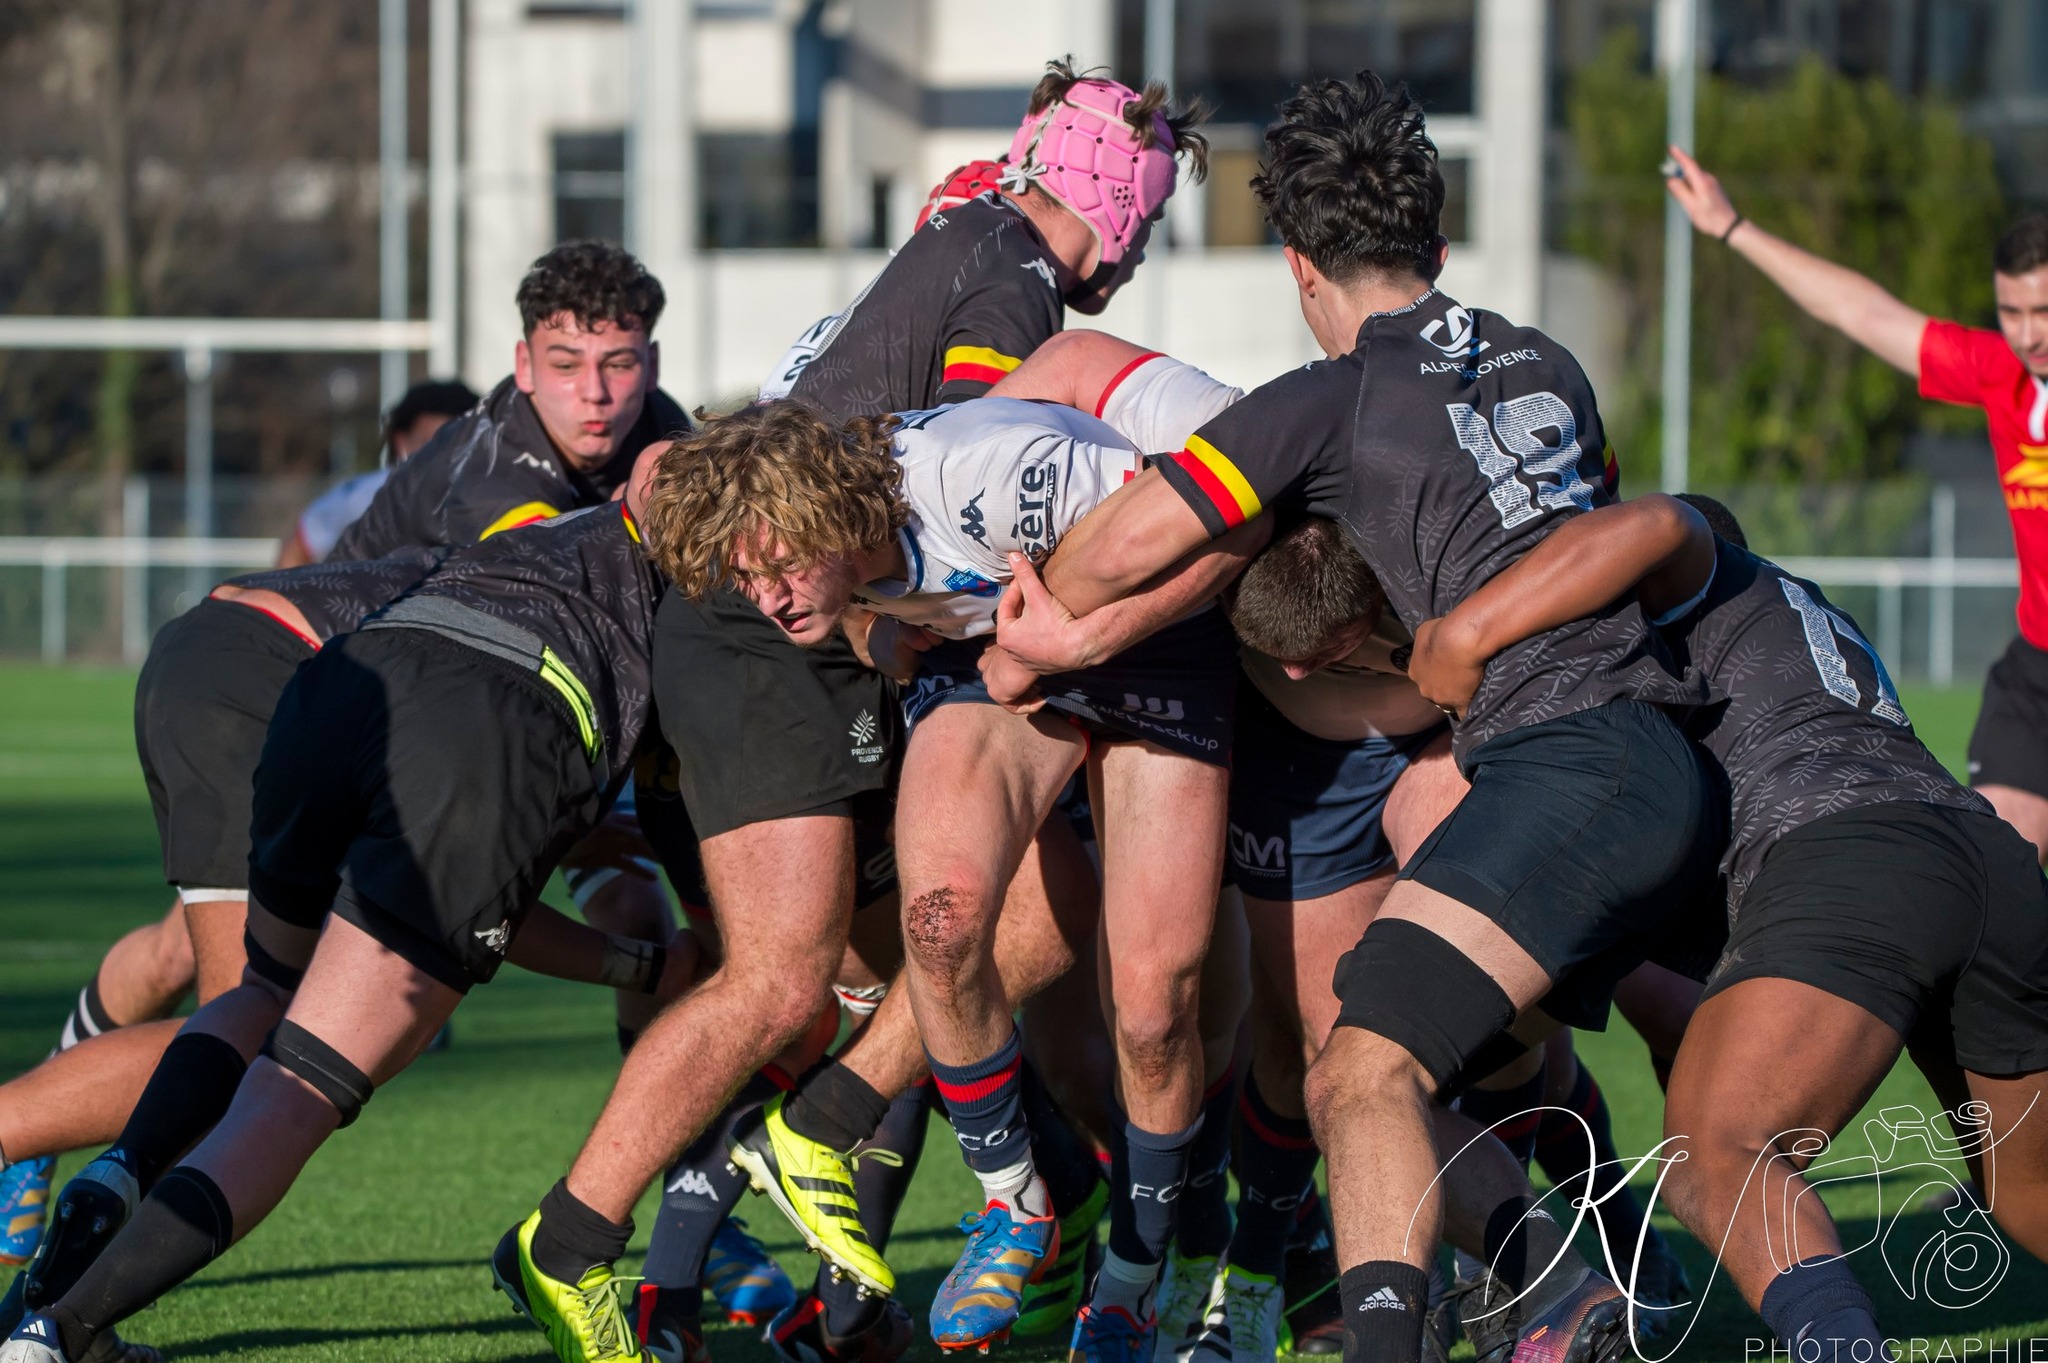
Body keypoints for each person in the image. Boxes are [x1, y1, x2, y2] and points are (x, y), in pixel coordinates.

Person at [982, 71, 1721, 1363]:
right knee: (1493, 1051)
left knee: (1362, 1060)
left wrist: (1060, 621)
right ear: (1437, 248)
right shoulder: (1549, 362)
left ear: (1299, 269)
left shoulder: (1321, 404)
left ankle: (1560, 1300)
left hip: (1545, 767)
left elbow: (1117, 549)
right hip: (1660, 745)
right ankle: (1618, 1264)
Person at [622, 68, 1210, 1361]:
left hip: (828, 610)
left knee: (955, 953)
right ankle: (666, 1247)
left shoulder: (961, 232)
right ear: (1115, 207)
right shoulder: (1009, 285)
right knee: (892, 956)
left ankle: (948, 1258)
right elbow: (992, 480)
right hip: (824, 614)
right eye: (1150, 220)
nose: (1144, 246)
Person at [1, 460, 691, 1363]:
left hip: (295, 681)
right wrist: (643, 957)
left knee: (253, 989)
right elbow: (474, 853)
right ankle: (62, 1325)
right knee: (291, 1080)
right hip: (309, 680)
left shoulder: (524, 532)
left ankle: (115, 1180)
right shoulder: (626, 617)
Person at [641, 392, 1267, 1361]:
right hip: (998, 661)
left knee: (1151, 1012)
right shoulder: (827, 559)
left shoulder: (988, 477)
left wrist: (1082, 641)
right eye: (743, 577)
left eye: (775, 567)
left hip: (1153, 646)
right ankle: (1012, 1206)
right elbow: (865, 613)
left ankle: (1131, 1283)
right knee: (937, 921)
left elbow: (1219, 527)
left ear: (826, 511)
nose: (764, 597)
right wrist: (869, 634)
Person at [1409, 490, 2048, 1350]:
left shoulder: (1692, 590)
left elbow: (1661, 526)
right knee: (2031, 1193)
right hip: (1991, 860)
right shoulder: (1794, 613)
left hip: (1854, 859)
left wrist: (1466, 636)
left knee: (1717, 1147)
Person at [0, 547, 448, 1316]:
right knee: (241, 1033)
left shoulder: (497, 518)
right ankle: (31, 1181)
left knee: (221, 997)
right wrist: (633, 962)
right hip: (258, 682)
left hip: (239, 667)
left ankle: (59, 1304)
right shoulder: (509, 495)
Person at [1665, 149, 2048, 863]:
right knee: (2000, 863)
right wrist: (1733, 226)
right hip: (2035, 668)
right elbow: (1865, 312)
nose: (2028, 332)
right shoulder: (2003, 374)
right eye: (2012, 311)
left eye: (2044, 312)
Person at [274, 378, 480, 567]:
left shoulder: (491, 498)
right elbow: (301, 543)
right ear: (402, 442)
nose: (442, 456)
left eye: (456, 444)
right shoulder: (366, 495)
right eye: (430, 444)